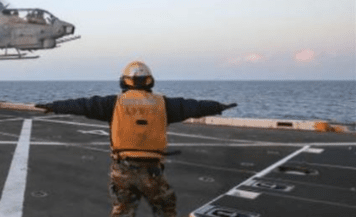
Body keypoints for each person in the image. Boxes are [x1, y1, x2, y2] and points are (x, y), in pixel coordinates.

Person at [35, 61, 237, 217]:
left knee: (122, 210)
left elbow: (82, 105)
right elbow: (193, 106)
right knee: (166, 207)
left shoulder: (114, 103)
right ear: (149, 81)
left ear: (124, 81)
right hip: (152, 171)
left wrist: (53, 106)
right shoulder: (163, 104)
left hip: (122, 169)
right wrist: (219, 106)